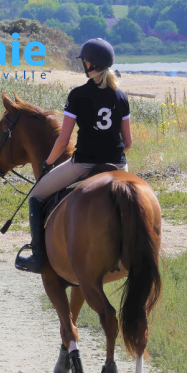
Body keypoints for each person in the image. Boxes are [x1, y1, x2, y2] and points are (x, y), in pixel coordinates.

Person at [15, 38, 132, 273]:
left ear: (89, 64)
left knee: (36, 196)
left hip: (84, 164)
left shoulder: (78, 95)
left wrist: (48, 163)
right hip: (119, 165)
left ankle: (38, 255)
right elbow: (127, 142)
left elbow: (63, 139)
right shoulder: (121, 97)